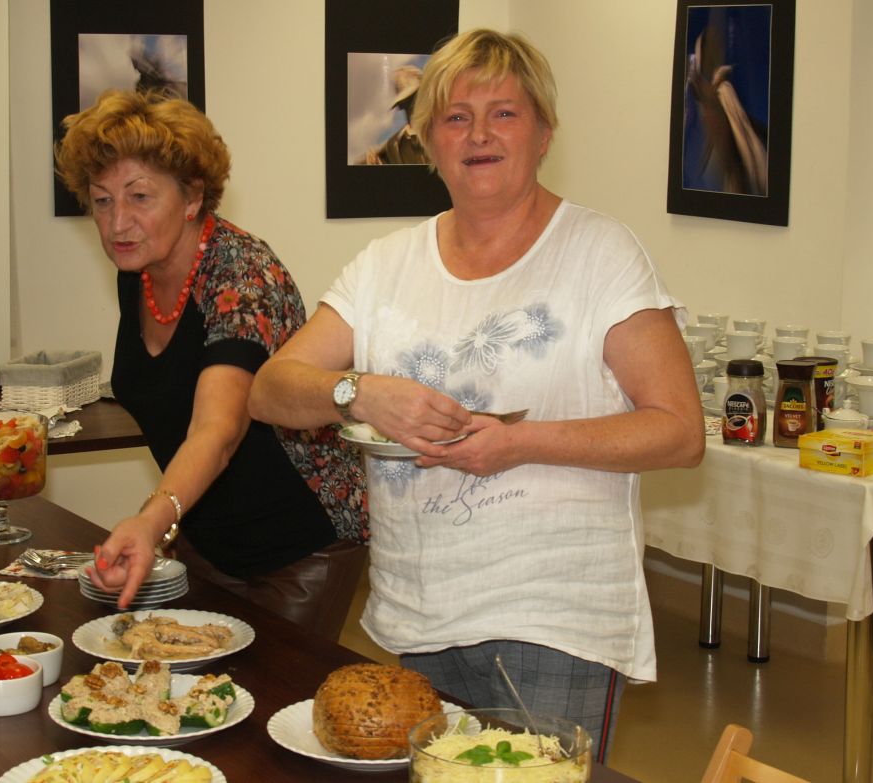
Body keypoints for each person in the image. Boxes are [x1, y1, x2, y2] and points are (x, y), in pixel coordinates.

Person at [249, 29, 704, 762]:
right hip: (417, 612)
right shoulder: (384, 266)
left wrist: (518, 443)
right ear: (428, 140)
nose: (479, 134)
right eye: (456, 117)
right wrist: (360, 392)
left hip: (554, 614)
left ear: (544, 134)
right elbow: (271, 389)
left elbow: (680, 431)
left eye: (505, 114)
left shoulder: (600, 254)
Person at [54, 89, 367, 641]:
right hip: (204, 535)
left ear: (192, 196)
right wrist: (166, 526)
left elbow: (218, 430)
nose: (118, 222)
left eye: (140, 196)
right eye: (102, 201)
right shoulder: (137, 272)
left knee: (264, 688)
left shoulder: (243, 275)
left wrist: (150, 521)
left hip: (299, 547)